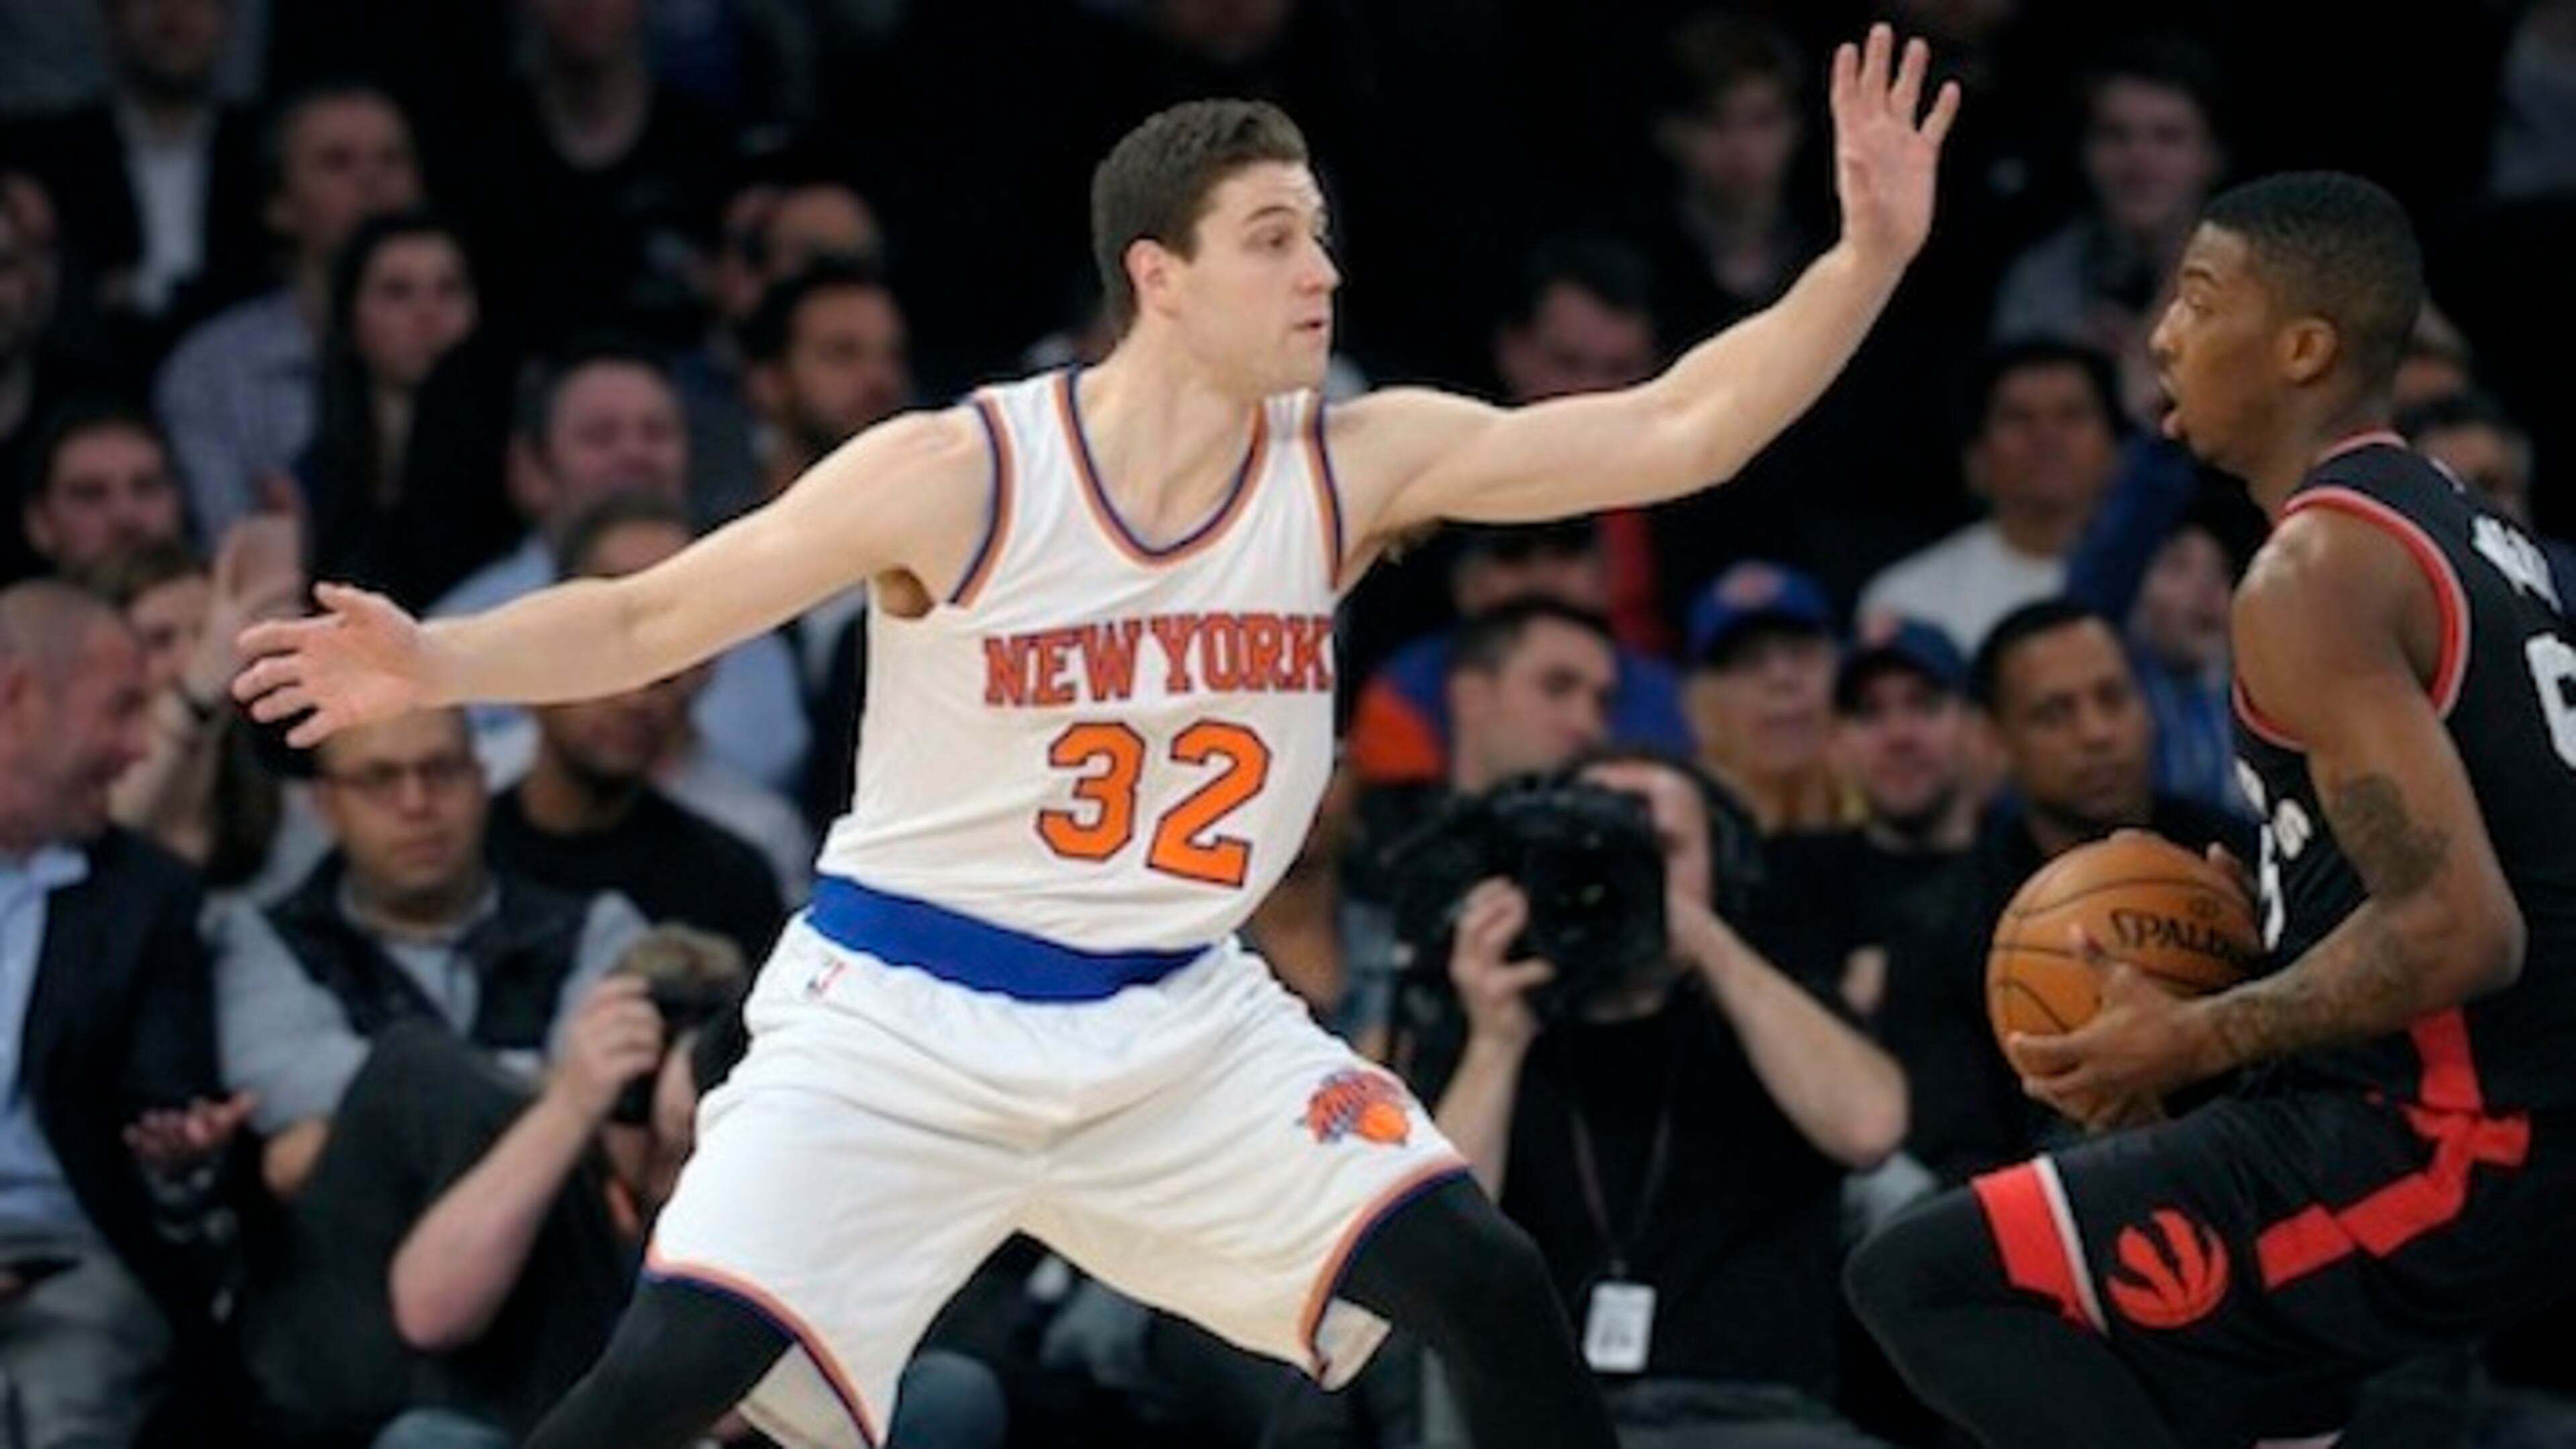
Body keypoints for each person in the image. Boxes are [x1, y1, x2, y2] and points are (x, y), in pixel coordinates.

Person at [238, 33, 1957, 1449]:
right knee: (669, 1379)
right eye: (1274, 237)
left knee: (1488, 1284)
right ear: (1160, 275)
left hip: (1175, 1016)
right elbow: (649, 618)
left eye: (1322, 233)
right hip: (899, 1015)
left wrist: (1865, 257)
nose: (1322, 271)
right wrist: (436, 662)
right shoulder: (963, 472)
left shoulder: (1354, 464)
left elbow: (1679, 430)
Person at [1849, 171, 2576, 1447]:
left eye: (2196, 299)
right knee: (2204, 1370)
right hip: (2503, 1120)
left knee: (1926, 1279)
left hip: (2461, 1143)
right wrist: (2289, 928)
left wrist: (2189, 1041)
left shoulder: (2316, 570)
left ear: (2303, 349)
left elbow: (2464, 930)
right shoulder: (2463, 528)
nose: (2162, 336)